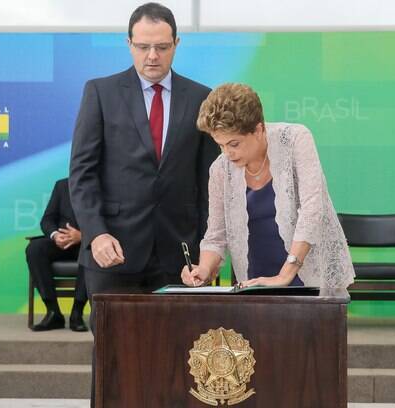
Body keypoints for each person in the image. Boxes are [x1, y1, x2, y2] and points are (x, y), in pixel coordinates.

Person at [69, 4, 219, 404]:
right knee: (114, 363)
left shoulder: (201, 97)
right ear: (129, 44)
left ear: (177, 45)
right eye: (143, 47)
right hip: (112, 254)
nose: (152, 56)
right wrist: (96, 234)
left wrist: (209, 250)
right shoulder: (99, 92)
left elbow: (209, 185)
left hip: (180, 260)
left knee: (179, 362)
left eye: (162, 47)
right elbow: (82, 175)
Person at [181, 83, 354, 294]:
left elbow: (312, 210)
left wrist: (286, 274)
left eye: (234, 144)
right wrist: (204, 269)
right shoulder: (220, 170)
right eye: (220, 144)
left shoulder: (295, 139)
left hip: (309, 278)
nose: (227, 153)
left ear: (259, 129)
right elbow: (216, 235)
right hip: (256, 283)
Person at [25, 178, 88, 332]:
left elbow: (112, 224)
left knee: (93, 252)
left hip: (87, 244)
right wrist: (55, 235)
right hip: (61, 243)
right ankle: (53, 313)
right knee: (34, 248)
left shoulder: (106, 185)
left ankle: (77, 313)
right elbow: (47, 219)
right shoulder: (62, 185)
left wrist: (83, 236)